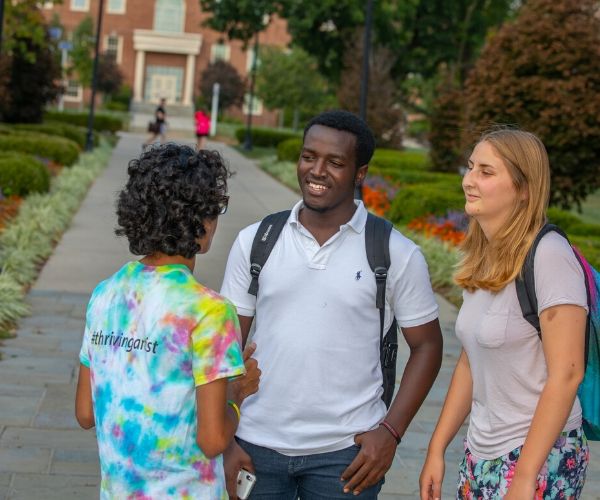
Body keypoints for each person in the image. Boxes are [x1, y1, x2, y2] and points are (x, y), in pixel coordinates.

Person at [220, 109, 444, 499]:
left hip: (347, 454)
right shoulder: (256, 240)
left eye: (335, 162)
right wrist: (224, 439)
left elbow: (428, 345)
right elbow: (221, 348)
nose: (316, 170)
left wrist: (390, 433)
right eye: (309, 156)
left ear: (360, 173)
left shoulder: (394, 252)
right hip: (254, 444)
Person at [75, 144, 260, 499]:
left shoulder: (106, 294)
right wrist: (238, 393)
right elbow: (213, 439)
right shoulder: (209, 310)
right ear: (203, 222)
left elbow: (85, 413)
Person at [419, 128, 589, 500]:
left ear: (524, 187)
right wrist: (437, 448)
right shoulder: (484, 255)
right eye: (470, 167)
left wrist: (526, 476)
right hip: (481, 451)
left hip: (538, 454)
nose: (469, 181)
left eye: (486, 171)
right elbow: (470, 361)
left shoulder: (550, 255)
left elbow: (568, 372)